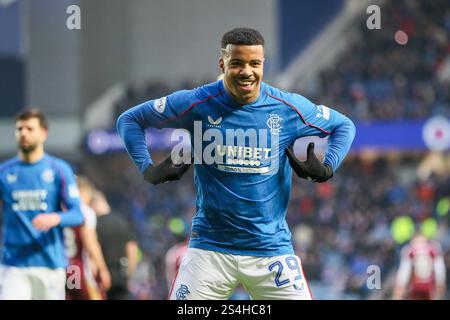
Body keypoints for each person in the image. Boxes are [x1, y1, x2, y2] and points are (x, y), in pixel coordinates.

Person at [117, 27, 356, 300]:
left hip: (271, 250)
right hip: (210, 250)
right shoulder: (197, 102)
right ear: (222, 64)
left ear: (263, 64)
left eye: (255, 63)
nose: (247, 71)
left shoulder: (286, 107)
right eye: (237, 63)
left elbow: (344, 125)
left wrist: (328, 166)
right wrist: (148, 169)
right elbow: (129, 120)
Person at [0, 108, 84, 300]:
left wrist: (55, 217)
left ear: (43, 133)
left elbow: (77, 214)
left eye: (29, 128)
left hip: (50, 264)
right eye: (19, 129)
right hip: (13, 265)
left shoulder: (59, 169)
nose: (23, 133)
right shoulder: (4, 172)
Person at [65, 176, 111, 300]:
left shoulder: (60, 210)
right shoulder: (85, 211)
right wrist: (102, 268)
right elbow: (90, 242)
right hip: (77, 268)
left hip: (59, 267)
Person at [92, 190, 139, 300]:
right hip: (122, 274)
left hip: (104, 277)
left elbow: (94, 249)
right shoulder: (122, 222)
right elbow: (132, 248)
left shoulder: (95, 225)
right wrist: (129, 274)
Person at [392, 234, 446, 300]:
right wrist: (440, 281)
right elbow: (439, 268)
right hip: (428, 283)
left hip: (417, 283)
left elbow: (404, 270)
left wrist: (400, 284)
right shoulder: (433, 249)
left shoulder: (410, 250)